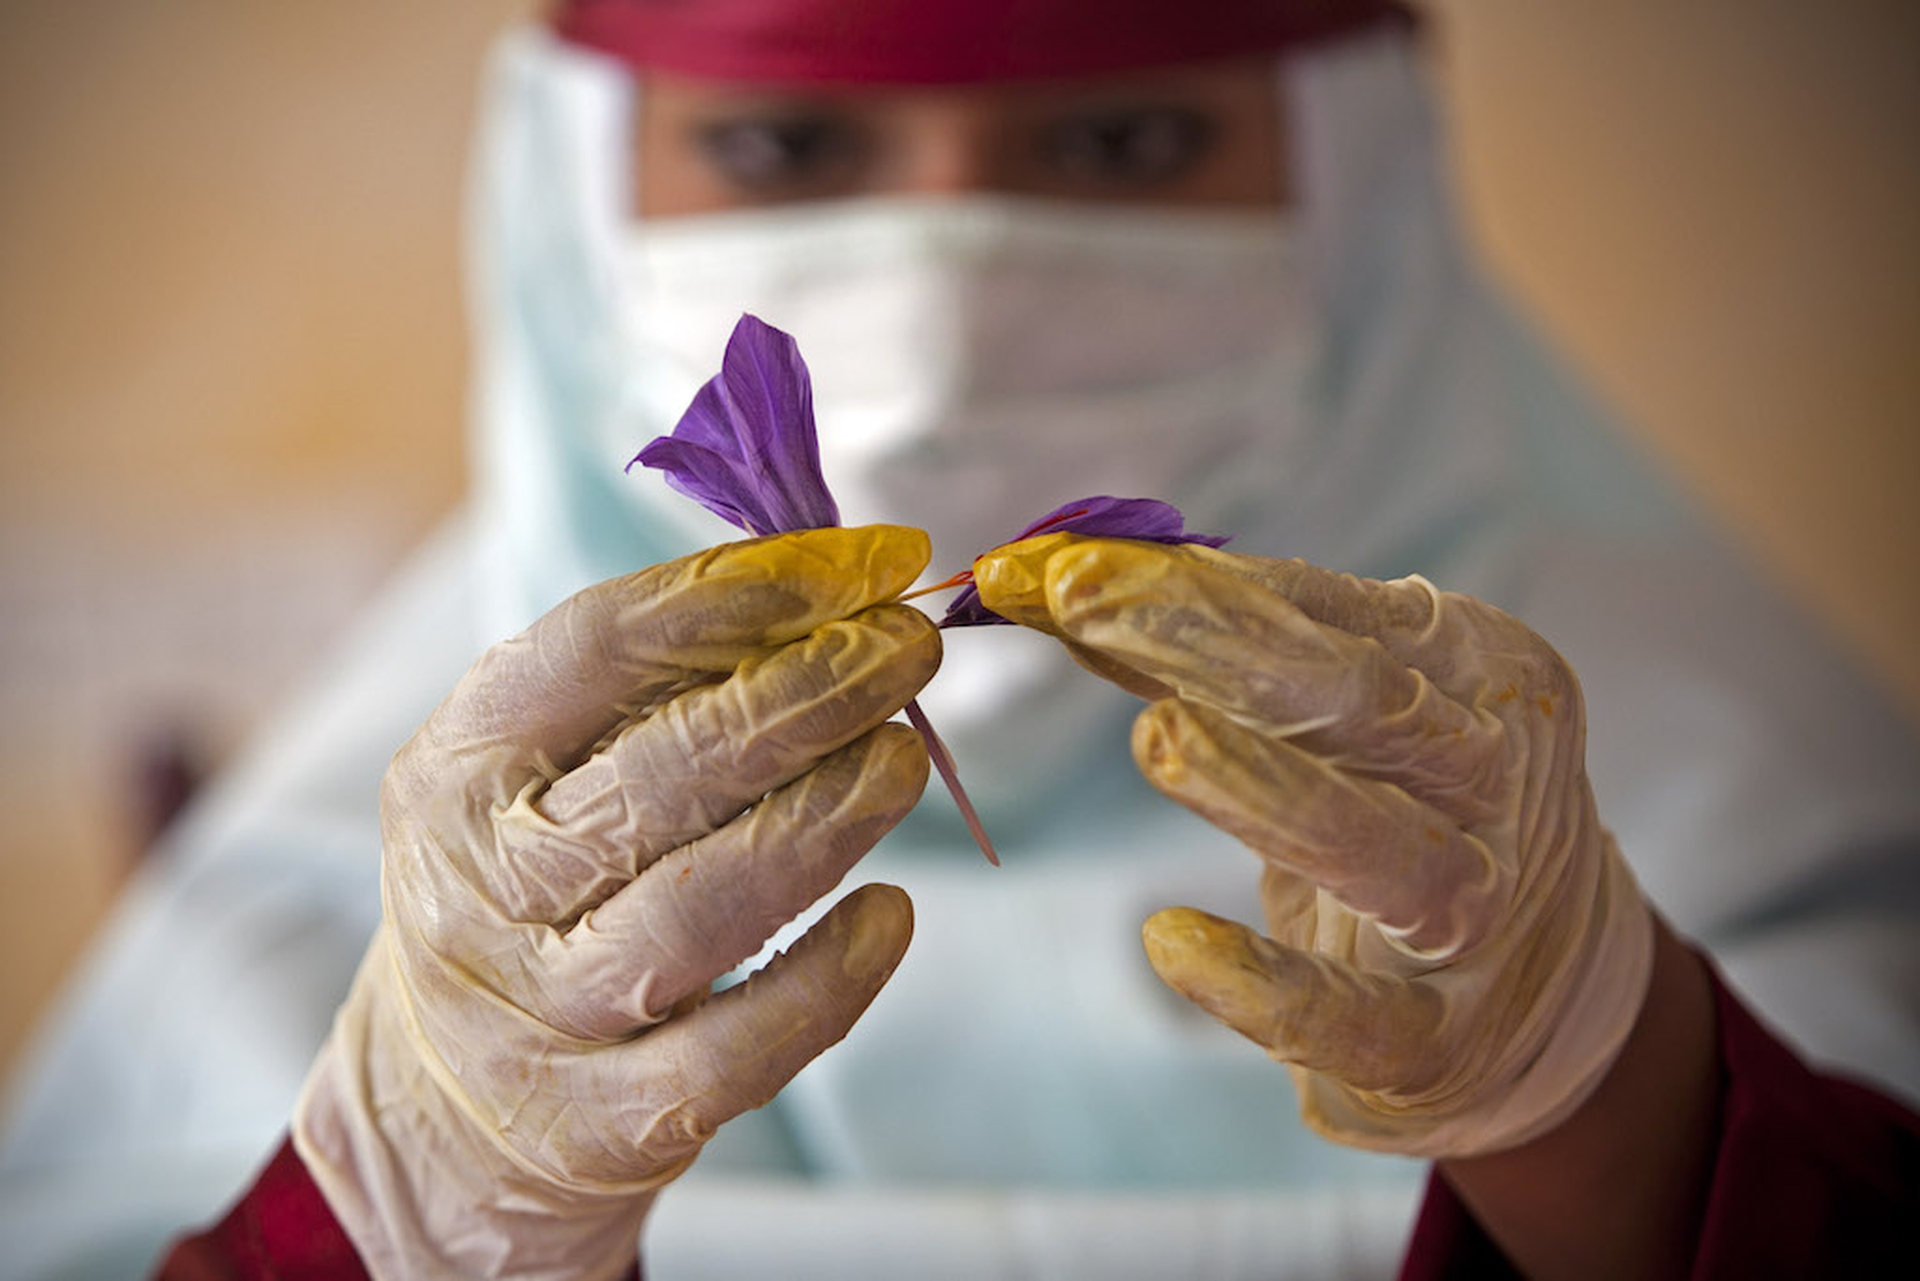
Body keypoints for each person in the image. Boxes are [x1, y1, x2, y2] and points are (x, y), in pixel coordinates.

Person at [2, 2, 1917, 1276]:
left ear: (1367, 194)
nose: (954, 303)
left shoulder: (1738, 823)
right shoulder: (344, 935)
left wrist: (1620, 1087)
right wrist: (403, 1203)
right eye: (779, 152)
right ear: (569, 213)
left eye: (1128, 140)